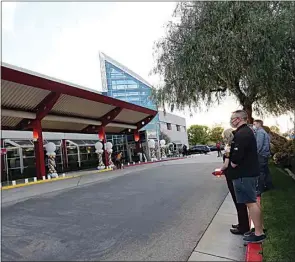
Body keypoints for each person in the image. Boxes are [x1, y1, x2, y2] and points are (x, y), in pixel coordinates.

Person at [228, 110, 266, 243]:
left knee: (250, 203)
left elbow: (237, 155)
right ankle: (259, 228)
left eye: (232, 118)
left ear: (238, 119)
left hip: (244, 174)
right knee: (253, 201)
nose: (231, 121)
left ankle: (259, 233)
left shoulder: (242, 133)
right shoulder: (247, 132)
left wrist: (232, 163)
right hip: (249, 173)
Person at [219, 129, 250, 235]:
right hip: (237, 174)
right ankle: (242, 223)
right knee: (240, 201)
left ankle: (243, 227)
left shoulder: (228, 147)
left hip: (232, 175)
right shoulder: (236, 145)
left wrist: (220, 170)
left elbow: (226, 164)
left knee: (238, 201)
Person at [253, 119, 273, 195]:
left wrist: (255, 154)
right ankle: (269, 185)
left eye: (255, 124)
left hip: (261, 155)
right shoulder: (264, 132)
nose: (254, 126)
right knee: (266, 171)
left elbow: (259, 145)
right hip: (265, 154)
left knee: (260, 172)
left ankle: (260, 189)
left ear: (259, 124)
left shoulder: (260, 132)